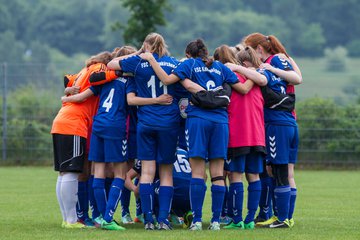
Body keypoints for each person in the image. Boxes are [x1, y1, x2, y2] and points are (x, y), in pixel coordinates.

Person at [139, 38, 263, 231]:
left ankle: (197, 220)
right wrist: (251, 72)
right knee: (218, 174)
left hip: (198, 120)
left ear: (188, 54)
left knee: (197, 173)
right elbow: (245, 89)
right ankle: (215, 221)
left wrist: (155, 62)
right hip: (221, 121)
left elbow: (166, 80)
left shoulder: (188, 64)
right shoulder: (220, 67)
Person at [107, 33, 197, 230]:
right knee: (166, 173)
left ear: (146, 45)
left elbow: (112, 64)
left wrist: (139, 53)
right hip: (169, 124)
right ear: (163, 45)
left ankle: (148, 219)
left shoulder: (138, 63)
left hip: (146, 123)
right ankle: (163, 219)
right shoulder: (173, 63)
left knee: (146, 172)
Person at [226, 43, 300, 228]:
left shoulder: (263, 74)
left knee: (279, 172)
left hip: (276, 126)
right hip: (290, 124)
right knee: (283, 173)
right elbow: (297, 78)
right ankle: (286, 217)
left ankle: (282, 219)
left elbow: (261, 80)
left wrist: (236, 67)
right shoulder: (281, 77)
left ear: (244, 62)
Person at [51, 51, 113, 229]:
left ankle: (66, 219)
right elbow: (100, 77)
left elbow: (67, 80)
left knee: (64, 173)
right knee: (71, 172)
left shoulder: (82, 70)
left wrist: (67, 91)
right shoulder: (99, 68)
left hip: (61, 121)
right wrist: (118, 71)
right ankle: (71, 220)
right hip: (74, 124)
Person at [212, 45, 266, 230]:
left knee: (235, 176)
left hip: (237, 134)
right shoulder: (255, 78)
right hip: (257, 135)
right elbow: (258, 79)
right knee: (254, 176)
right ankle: (250, 219)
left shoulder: (228, 77)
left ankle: (237, 220)